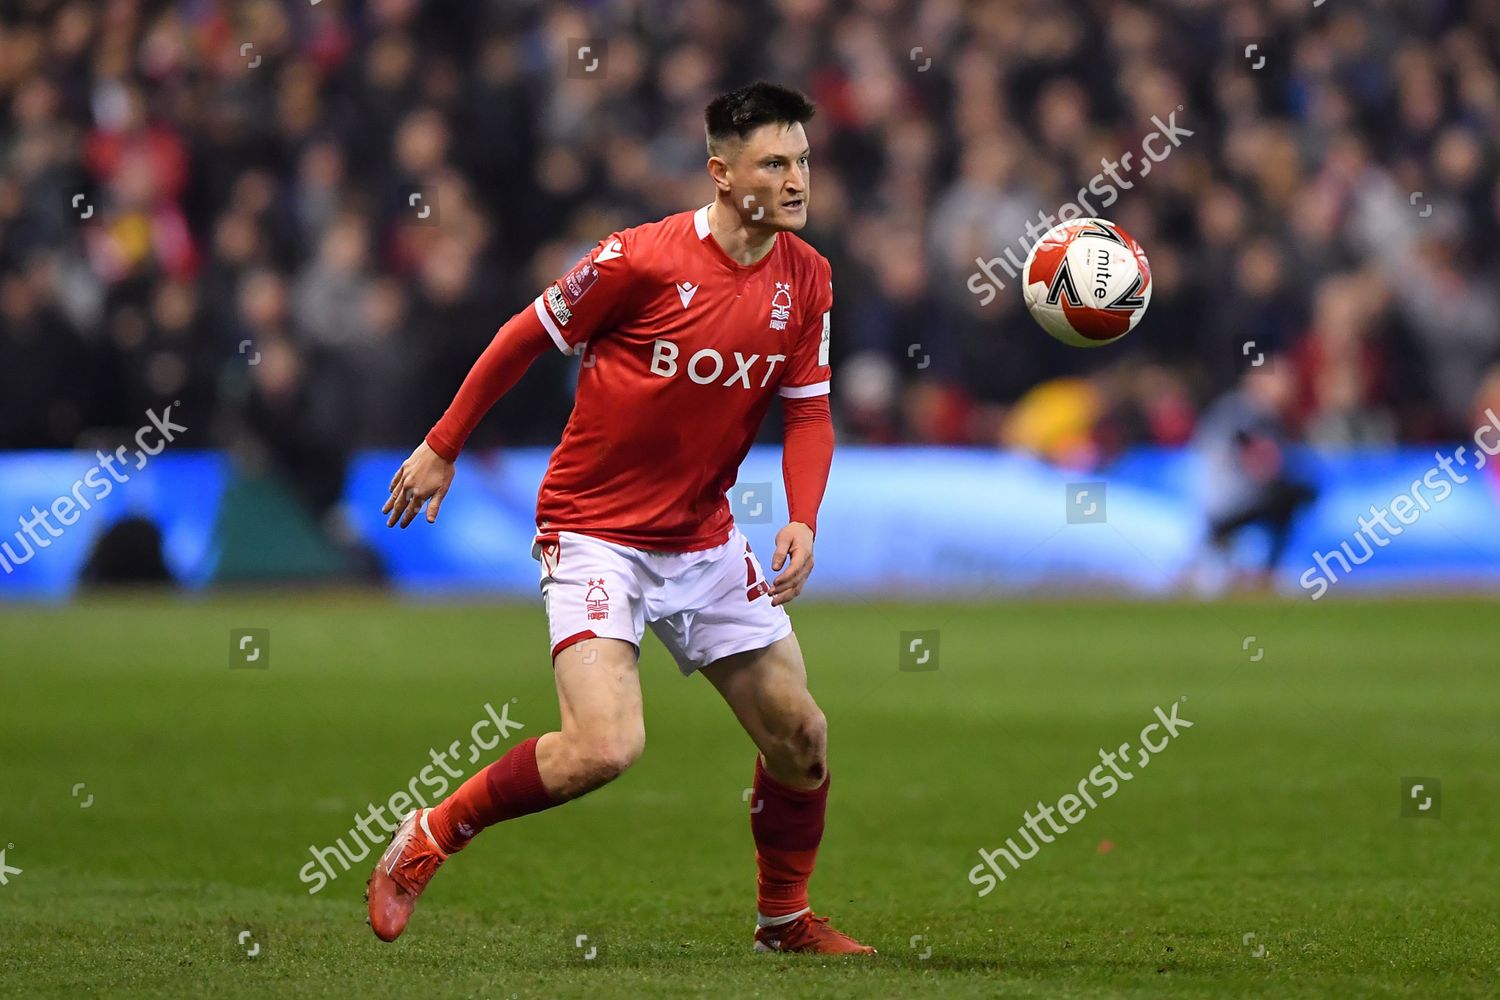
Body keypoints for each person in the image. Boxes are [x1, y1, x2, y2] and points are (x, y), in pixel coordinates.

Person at [365, 82, 873, 955]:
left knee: (802, 736)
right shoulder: (636, 260)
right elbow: (523, 336)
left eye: (805, 161)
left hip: (705, 537)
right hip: (596, 530)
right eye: (776, 163)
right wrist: (444, 444)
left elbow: (811, 412)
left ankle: (782, 920)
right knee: (604, 748)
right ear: (721, 172)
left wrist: (803, 519)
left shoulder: (810, 280)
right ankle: (430, 836)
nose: (798, 181)